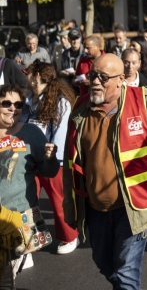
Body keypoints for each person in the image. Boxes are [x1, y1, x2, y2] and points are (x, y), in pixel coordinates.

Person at [63, 54, 147, 289]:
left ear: (121, 79)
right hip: (95, 209)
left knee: (126, 274)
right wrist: (69, 209)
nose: (95, 81)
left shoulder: (145, 101)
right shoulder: (80, 109)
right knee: (104, 264)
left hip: (135, 208)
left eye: (103, 77)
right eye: (93, 75)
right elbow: (69, 163)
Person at [0, 84, 59, 282]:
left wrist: (50, 159)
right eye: (6, 103)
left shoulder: (32, 133)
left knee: (5, 278)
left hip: (17, 219)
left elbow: (48, 172)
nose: (13, 108)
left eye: (18, 104)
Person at [20, 61, 80, 253]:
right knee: (26, 201)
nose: (25, 77)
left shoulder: (60, 101)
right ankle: (29, 241)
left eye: (27, 73)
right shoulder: (28, 99)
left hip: (51, 160)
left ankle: (70, 236)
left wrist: (53, 158)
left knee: (59, 200)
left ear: (36, 75)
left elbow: (61, 135)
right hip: (27, 158)